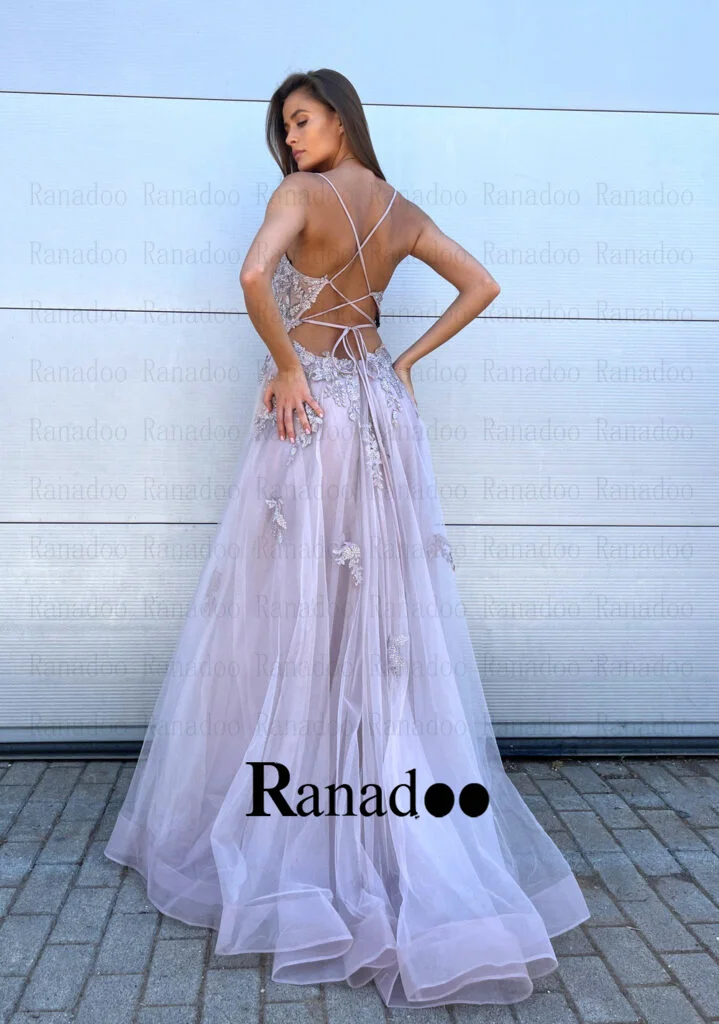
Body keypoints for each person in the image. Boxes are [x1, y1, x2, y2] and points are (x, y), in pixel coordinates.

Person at [104, 68, 590, 1009]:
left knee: (288, 603)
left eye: (300, 120)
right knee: (378, 614)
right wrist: (404, 360)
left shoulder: (299, 196)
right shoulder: (398, 209)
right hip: (381, 415)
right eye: (284, 129)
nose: (290, 140)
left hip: (314, 418)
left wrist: (287, 365)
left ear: (338, 116)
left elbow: (255, 275)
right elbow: (481, 283)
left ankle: (295, 813)